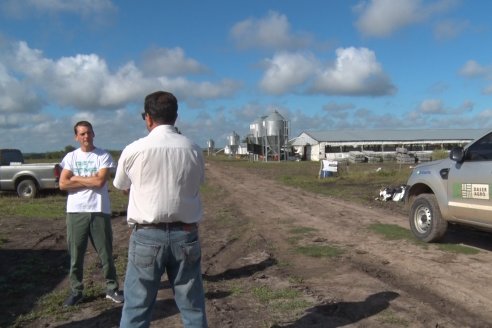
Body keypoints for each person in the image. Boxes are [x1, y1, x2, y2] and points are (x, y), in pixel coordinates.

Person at [114, 91, 207, 328]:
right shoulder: (193, 149)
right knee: (192, 306)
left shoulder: (134, 149)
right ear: (176, 117)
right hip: (185, 233)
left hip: (147, 235)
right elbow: (196, 182)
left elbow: (121, 185)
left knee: (136, 308)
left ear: (147, 118)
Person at [59, 121, 123, 306]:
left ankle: (112, 288)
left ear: (93, 134)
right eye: (82, 134)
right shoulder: (70, 157)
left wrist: (75, 178)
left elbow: (99, 183)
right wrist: (88, 179)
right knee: (76, 254)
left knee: (106, 253)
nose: (86, 137)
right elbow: (63, 184)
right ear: (76, 137)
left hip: (98, 210)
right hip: (76, 211)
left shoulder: (102, 156)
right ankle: (76, 291)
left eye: (88, 133)